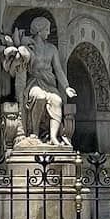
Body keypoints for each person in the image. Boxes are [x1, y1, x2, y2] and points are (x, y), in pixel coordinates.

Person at [23, 17, 77, 147]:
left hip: (49, 83)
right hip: (34, 82)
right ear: (39, 30)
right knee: (40, 97)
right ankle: (34, 133)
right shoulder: (29, 46)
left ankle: (53, 137)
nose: (48, 32)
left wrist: (66, 87)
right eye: (46, 29)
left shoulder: (51, 48)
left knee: (57, 100)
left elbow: (58, 69)